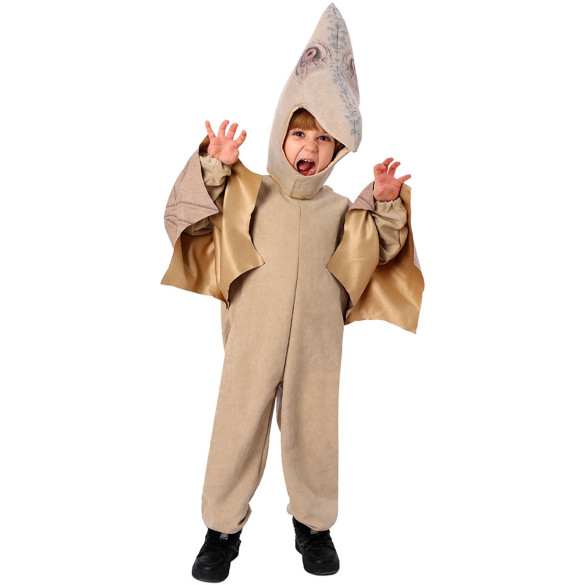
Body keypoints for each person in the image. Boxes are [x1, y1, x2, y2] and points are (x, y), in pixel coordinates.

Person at [161, 4, 424, 582]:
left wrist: (384, 203)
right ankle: (221, 529)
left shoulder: (341, 210)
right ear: (281, 132)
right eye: (300, 131)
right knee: (237, 424)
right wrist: (214, 167)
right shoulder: (249, 192)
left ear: (339, 150)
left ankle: (314, 524)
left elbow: (379, 250)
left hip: (316, 341)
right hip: (252, 337)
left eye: (325, 138)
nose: (310, 145)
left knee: (314, 429)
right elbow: (193, 222)